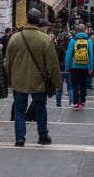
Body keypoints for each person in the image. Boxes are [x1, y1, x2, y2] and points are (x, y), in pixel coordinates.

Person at [5, 9, 62, 146]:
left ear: (27, 20)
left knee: (19, 109)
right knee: (40, 108)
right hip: (39, 81)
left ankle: (20, 138)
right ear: (39, 22)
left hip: (19, 81)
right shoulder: (45, 39)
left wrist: (7, 80)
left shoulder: (14, 38)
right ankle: (43, 136)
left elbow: (8, 62)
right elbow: (53, 65)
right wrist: (57, 83)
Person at [64, 24, 94, 110]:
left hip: (74, 66)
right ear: (85, 30)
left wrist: (67, 67)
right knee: (83, 84)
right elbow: (91, 55)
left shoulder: (73, 40)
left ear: (77, 31)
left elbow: (69, 54)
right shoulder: (88, 40)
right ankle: (82, 102)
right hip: (85, 67)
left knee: (75, 85)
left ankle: (75, 103)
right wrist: (91, 67)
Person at [54, 31, 74, 108]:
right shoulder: (71, 47)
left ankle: (58, 103)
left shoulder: (59, 48)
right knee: (70, 87)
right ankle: (71, 101)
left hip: (60, 70)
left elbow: (55, 59)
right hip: (69, 69)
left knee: (59, 88)